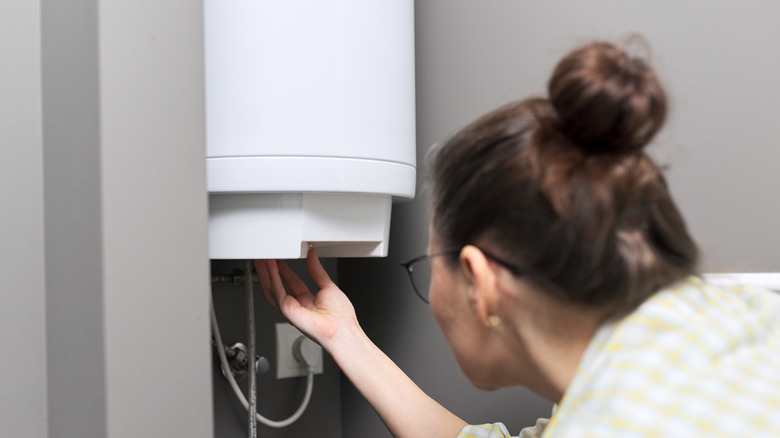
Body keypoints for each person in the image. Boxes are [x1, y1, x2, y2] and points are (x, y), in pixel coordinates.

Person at [254, 39, 780, 437]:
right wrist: (345, 337)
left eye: (428, 263)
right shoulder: (706, 325)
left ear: (480, 283)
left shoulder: (612, 421)